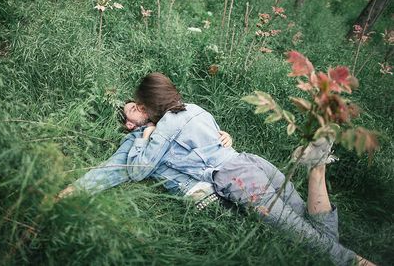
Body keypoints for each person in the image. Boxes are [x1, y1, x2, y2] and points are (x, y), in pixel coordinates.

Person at [126, 72, 375, 266]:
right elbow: (218, 139)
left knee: (312, 241)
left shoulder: (166, 126)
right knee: (312, 230)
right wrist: (227, 137)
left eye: (139, 106)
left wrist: (145, 136)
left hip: (238, 178)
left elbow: (137, 170)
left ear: (150, 106)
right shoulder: (194, 109)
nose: (136, 112)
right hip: (251, 161)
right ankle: (317, 167)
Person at [56, 101, 232, 211]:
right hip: (199, 189)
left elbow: (204, 132)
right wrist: (67, 193)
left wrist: (225, 136)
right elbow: (112, 169)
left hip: (223, 168)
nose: (142, 105)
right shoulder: (135, 138)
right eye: (135, 108)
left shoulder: (174, 115)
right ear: (130, 124)